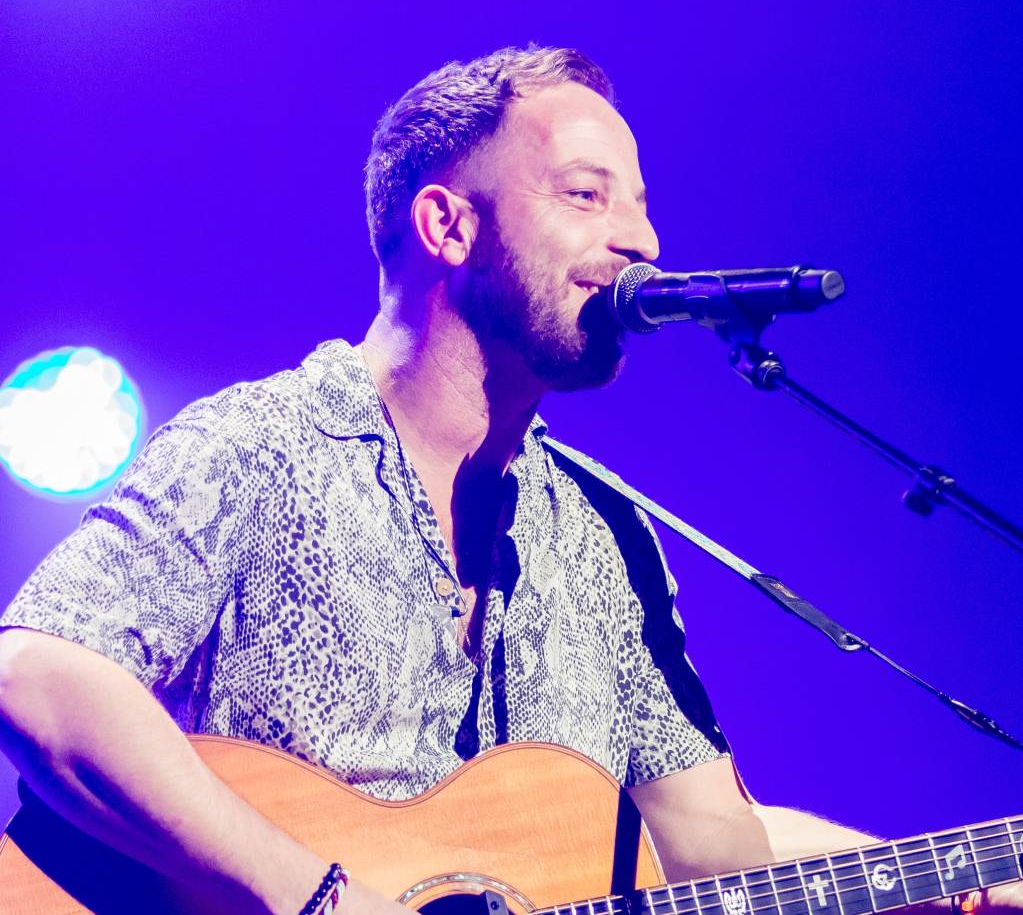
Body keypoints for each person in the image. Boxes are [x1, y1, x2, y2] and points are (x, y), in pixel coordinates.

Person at [0, 47, 1016, 915]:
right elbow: (38, 675)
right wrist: (317, 895)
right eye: (586, 195)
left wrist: (954, 878)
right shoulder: (258, 446)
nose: (643, 243)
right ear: (448, 227)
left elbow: (716, 847)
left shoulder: (605, 542)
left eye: (641, 205)